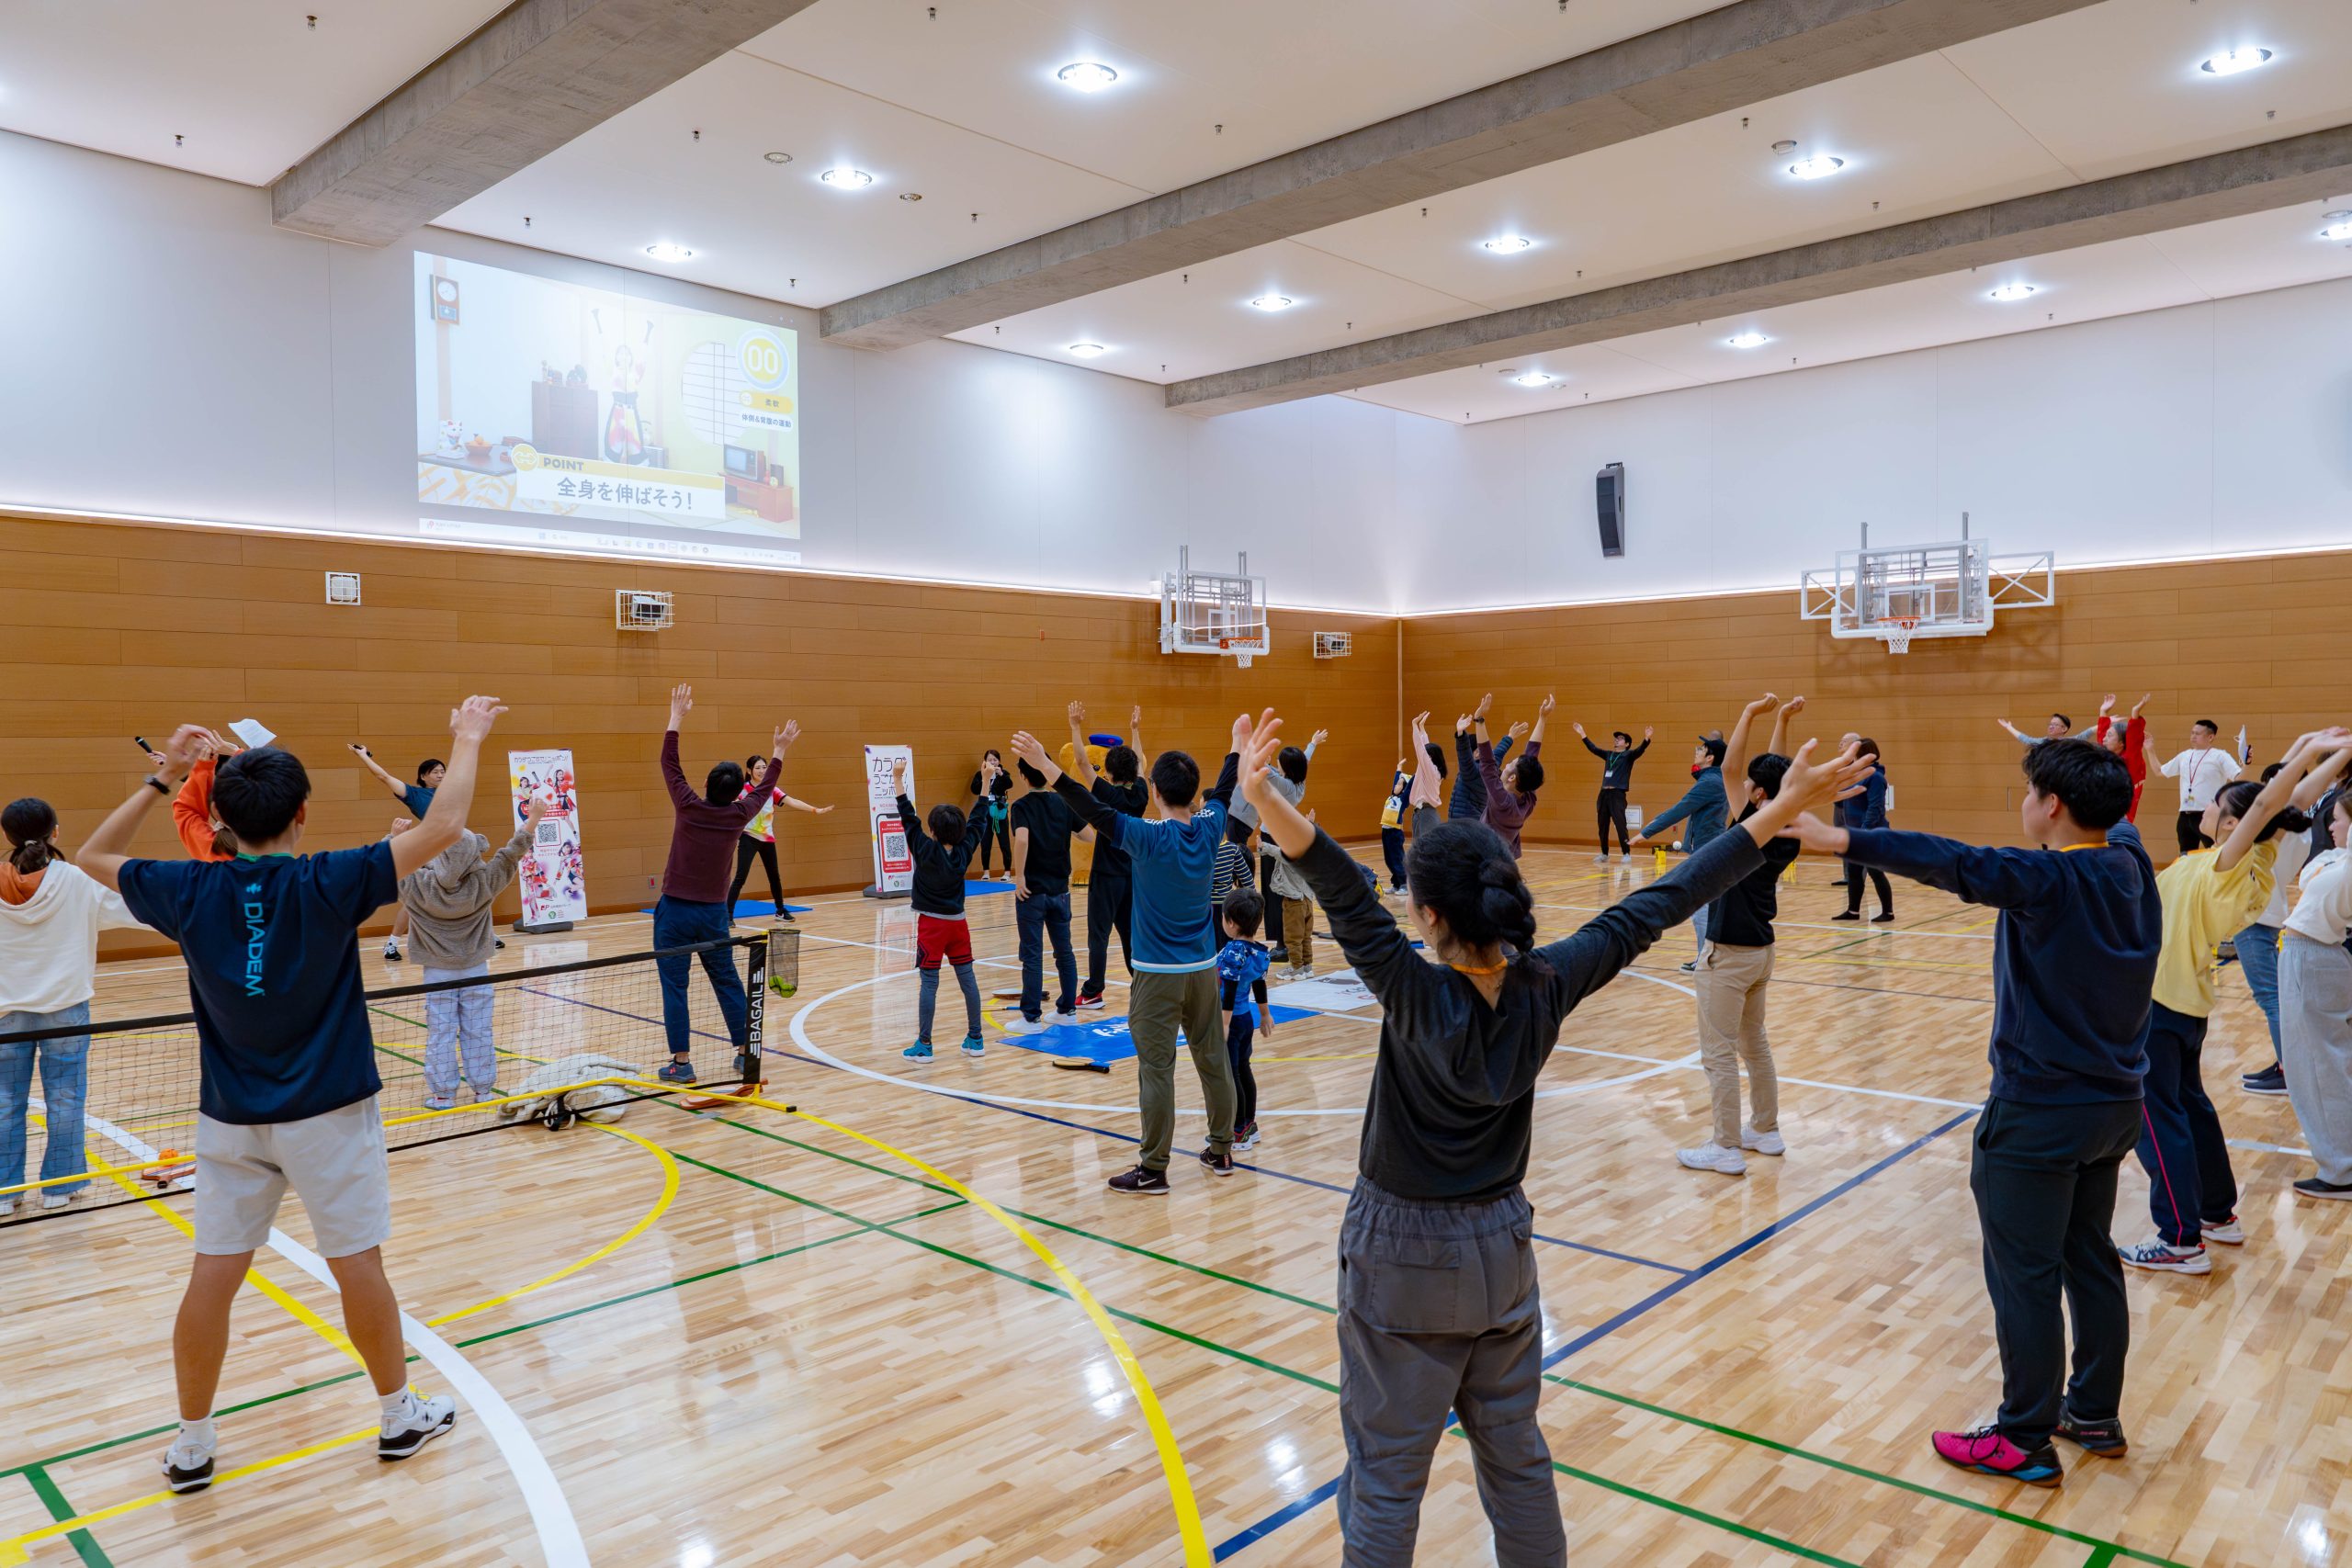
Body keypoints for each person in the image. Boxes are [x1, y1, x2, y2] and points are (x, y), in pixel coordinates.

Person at [1238, 704, 1862, 1562]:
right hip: (1502, 1248)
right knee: (1519, 1466)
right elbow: (1666, 898)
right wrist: (1774, 811)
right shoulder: (1547, 984)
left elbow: (1342, 889)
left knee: (1385, 1478)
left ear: (1425, 916)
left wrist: (1260, 791)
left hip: (1401, 1256)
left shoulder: (1416, 994)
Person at [77, 699, 508, 1495]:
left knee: (213, 1273)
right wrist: (469, 735)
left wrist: (163, 776)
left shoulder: (187, 888)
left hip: (230, 1119)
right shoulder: (330, 878)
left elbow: (92, 854)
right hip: (331, 1114)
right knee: (358, 1267)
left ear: (220, 818)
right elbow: (445, 826)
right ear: (303, 814)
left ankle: (192, 1445)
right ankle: (396, 1413)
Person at [1780, 737, 2159, 1488]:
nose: (2022, 804)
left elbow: (1950, 859)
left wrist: (1841, 837)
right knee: (2089, 1258)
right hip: (2115, 1109)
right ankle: (2092, 1412)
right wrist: (2103, 744)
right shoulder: (2132, 862)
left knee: (2025, 1276)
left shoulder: (2046, 877)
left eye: (2029, 792)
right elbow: (2114, 813)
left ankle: (2023, 1436)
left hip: (2038, 1115)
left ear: (2052, 806)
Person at [2119, 733, 2337, 1275]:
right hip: (2184, 1004)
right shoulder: (2252, 856)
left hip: (2160, 1005)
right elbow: (2281, 802)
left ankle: (2178, 1239)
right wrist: (2320, 750)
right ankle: (2217, 1214)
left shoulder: (2229, 867)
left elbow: (2266, 803)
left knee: (2156, 1118)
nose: (2210, 802)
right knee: (2190, 1107)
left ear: (2234, 823)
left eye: (2219, 801)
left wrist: (2306, 753)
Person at [1017, 715, 1244, 1194]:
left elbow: (1094, 809)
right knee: (1213, 1059)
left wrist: (1048, 769)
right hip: (1204, 971)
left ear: (1156, 793)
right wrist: (1237, 747)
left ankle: (1155, 1169)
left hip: (1157, 977)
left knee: (1156, 1069)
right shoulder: (1209, 828)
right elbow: (1225, 789)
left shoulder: (1147, 836)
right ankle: (1221, 1151)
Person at [0, 799, 146, 1218]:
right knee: (65, 1099)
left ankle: (5, 1193)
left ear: (7, 836)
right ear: (56, 833)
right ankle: (59, 1189)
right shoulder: (79, 882)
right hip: (67, 1009)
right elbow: (141, 913)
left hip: (6, 1014)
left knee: (5, 1102)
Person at [1676, 695, 1803, 1176]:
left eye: (1751, 784)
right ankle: (1765, 1131)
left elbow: (1732, 768)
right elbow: (1778, 777)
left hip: (1728, 955)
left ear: (1757, 797)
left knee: (1718, 1054)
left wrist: (1750, 714)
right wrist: (1784, 721)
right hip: (1761, 952)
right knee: (1755, 1043)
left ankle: (1725, 1146)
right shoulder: (1785, 825)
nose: (1742, 782)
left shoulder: (1750, 829)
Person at [653, 684, 792, 1087]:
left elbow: (669, 764)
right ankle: (744, 1052)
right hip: (713, 915)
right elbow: (765, 789)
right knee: (727, 980)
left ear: (709, 784)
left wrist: (676, 719)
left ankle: (681, 1063)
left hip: (675, 913)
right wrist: (780, 750)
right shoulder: (740, 814)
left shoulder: (688, 804)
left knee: (675, 986)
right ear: (737, 791)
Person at [397, 796, 543, 1111]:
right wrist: (533, 819)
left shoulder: (419, 885)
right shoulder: (485, 882)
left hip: (436, 973)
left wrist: (394, 838)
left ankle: (443, 1094)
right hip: (476, 968)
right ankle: (483, 1091)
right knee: (478, 1030)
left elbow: (393, 864)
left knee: (441, 1033)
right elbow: (511, 854)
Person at [2281, 786, 2352, 1201]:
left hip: (2314, 957)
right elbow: (2310, 870)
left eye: (2340, 818)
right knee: (2325, 1061)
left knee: (2319, 1065)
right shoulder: (2338, 859)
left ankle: (2341, 1168)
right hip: (2312, 956)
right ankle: (2342, 1160)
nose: (2332, 825)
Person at [894, 757, 986, 1064]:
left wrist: (897, 779)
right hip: (959, 924)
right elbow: (979, 819)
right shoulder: (965, 849)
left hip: (932, 927)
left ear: (932, 829)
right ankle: (976, 1038)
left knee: (929, 984)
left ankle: (925, 1044)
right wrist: (985, 783)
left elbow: (907, 816)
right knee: (968, 980)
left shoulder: (923, 847)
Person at [1069, 704, 1148, 1010]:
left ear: (1110, 772)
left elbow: (1081, 761)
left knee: (1098, 935)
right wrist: (1135, 731)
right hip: (1132, 875)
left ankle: (1093, 991)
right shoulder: (1140, 793)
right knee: (1130, 934)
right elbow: (1140, 762)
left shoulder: (1108, 796)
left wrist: (1075, 726)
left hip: (1105, 877)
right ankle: (1140, 984)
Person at [1632, 734, 1733, 970]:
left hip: (1708, 852)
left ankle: (1705, 960)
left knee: (1701, 911)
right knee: (1707, 909)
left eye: (1702, 748)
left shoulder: (1709, 783)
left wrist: (1645, 833)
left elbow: (1679, 810)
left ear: (1710, 757)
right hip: (1710, 850)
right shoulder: (1716, 779)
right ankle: (1710, 958)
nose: (1696, 750)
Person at [350, 743, 447, 962]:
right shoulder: (414, 794)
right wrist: (363, 756)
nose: (441, 774)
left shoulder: (452, 794)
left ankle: (487, 934)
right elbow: (383, 777)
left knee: (471, 885)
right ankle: (392, 944)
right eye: (436, 772)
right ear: (424, 776)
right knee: (414, 899)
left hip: (453, 847)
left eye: (443, 771)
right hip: (429, 849)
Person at [1006, 758, 1080, 1034]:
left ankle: (1031, 1018)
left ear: (1023, 776)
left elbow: (1022, 839)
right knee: (1065, 953)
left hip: (1033, 892)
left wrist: (1020, 876)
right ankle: (1067, 1010)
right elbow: (1087, 834)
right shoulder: (1063, 802)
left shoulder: (1022, 806)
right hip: (1061, 891)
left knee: (1033, 955)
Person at [727, 755, 831, 921]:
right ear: (749, 771)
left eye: (764, 767)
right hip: (748, 837)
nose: (762, 771)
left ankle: (780, 911)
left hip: (767, 839)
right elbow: (726, 804)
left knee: (774, 876)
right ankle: (728, 915)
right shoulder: (743, 789)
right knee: (741, 876)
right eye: (758, 768)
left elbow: (793, 801)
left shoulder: (771, 789)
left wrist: (814, 810)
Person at [1216, 888, 1274, 1154]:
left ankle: (1238, 1131)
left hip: (1232, 1021)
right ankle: (1249, 1126)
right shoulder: (1259, 952)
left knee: (1233, 1074)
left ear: (1230, 922)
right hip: (1247, 1019)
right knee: (1243, 1069)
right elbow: (1259, 984)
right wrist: (1264, 1014)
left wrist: (1223, 1024)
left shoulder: (1233, 952)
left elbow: (1228, 990)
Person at [1266, 746, 1322, 979]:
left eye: (1280, 762)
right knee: (1304, 929)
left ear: (1287, 768)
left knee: (1290, 923)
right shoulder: (1299, 783)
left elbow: (1265, 773)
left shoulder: (1285, 785)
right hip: (1306, 894)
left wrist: (1260, 759)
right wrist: (1312, 744)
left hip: (1274, 836)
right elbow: (1301, 762)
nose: (1277, 764)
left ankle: (1295, 963)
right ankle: (1305, 965)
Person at [1473, 694, 1549, 860]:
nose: (1506, 764)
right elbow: (1532, 754)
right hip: (1506, 858)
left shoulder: (1503, 801)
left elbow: (1487, 761)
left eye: (1510, 763)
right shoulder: (1529, 799)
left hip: (1486, 857)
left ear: (1512, 778)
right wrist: (1542, 718)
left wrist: (1479, 720)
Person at [2154, 718, 2241, 856]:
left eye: (2198, 733)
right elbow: (2159, 771)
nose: (2193, 736)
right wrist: (2150, 749)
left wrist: (2246, 764)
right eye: (2192, 733)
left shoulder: (2220, 756)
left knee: (2214, 855)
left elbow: (2238, 777)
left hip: (2208, 815)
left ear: (2210, 737)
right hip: (2185, 815)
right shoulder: (2184, 756)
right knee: (2185, 858)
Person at [1832, 739, 1894, 922]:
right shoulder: (1857, 776)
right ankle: (1853, 911)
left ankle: (1888, 912)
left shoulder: (1875, 777)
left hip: (1870, 833)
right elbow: (1842, 801)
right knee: (1854, 872)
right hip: (1854, 832)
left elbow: (1875, 808)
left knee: (1875, 872)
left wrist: (1865, 831)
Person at [1572, 721, 1651, 863]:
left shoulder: (1628, 755)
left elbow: (1640, 750)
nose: (1616, 740)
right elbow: (1594, 749)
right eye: (1616, 738)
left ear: (1627, 744)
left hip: (1617, 795)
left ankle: (1626, 853)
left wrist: (1646, 739)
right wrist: (1582, 733)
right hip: (1603, 794)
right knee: (1602, 825)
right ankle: (1604, 853)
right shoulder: (1609, 755)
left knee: (1620, 824)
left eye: (1620, 738)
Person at [1447, 704, 1511, 822]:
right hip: (1476, 821)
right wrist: (1509, 737)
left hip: (1461, 824)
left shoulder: (1472, 772)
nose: (1489, 751)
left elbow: (1464, 754)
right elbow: (1497, 754)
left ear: (1477, 753)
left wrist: (1461, 734)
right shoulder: (1490, 770)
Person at [2094, 694, 2150, 824]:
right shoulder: (2108, 755)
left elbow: (2134, 738)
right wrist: (2103, 712)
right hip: (2104, 808)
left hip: (2122, 815)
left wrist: (2135, 713)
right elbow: (2101, 737)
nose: (2104, 739)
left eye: (2109, 736)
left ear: (2122, 743)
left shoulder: (2131, 759)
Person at [967, 750, 1013, 876]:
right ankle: (986, 871)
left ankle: (1007, 872)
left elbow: (1010, 784)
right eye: (990, 760)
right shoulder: (980, 774)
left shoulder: (1003, 773)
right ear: (985, 761)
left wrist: (1002, 775)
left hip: (999, 810)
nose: (992, 762)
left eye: (995, 760)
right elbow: (974, 789)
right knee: (985, 841)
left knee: (1004, 841)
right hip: (985, 810)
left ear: (999, 761)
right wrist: (985, 778)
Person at [1407, 712, 1445, 843]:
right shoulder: (1428, 769)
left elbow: (1420, 749)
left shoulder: (1432, 771)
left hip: (1427, 814)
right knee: (1418, 852)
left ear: (1431, 757)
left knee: (1426, 852)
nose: (1423, 757)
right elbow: (1424, 748)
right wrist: (1422, 728)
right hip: (1420, 813)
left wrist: (1414, 725)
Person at [1378, 758, 1411, 895]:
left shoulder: (1403, 800)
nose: (1396, 786)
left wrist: (1415, 776)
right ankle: (1396, 884)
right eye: (1396, 784)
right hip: (1385, 831)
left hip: (1395, 833)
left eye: (1400, 784)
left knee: (1397, 858)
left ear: (1404, 789)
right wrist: (1398, 769)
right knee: (1389, 859)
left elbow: (1410, 786)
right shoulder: (1391, 797)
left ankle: (1405, 884)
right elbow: (1396, 782)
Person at [1997, 714, 2073, 746]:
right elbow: (2026, 740)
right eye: (2050, 724)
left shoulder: (2070, 743)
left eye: (2055, 724)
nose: (2051, 727)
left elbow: (2083, 735)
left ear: (2064, 728)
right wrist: (2009, 727)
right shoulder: (2042, 742)